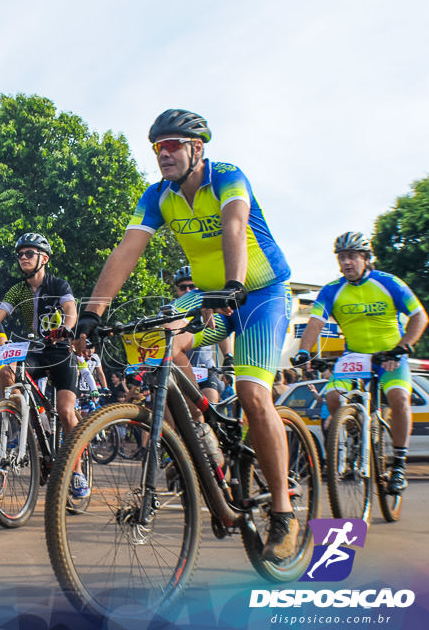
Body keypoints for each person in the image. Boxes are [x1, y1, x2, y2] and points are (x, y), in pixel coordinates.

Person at [75, 109, 297, 561]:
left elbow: (234, 225)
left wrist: (231, 288)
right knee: (160, 342)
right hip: (208, 297)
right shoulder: (158, 196)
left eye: (173, 144)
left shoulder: (227, 177)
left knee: (254, 394)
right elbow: (127, 250)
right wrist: (92, 313)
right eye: (158, 147)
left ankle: (283, 512)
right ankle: (200, 427)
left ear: (198, 148)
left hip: (258, 293)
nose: (164, 154)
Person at [291, 232, 429, 494]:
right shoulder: (332, 290)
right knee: (332, 397)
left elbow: (419, 317)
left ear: (366, 258)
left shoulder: (389, 283)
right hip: (355, 356)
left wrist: (402, 348)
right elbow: (315, 323)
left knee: (399, 398)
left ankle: (399, 463)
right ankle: (354, 430)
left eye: (352, 256)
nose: (346, 262)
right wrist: (304, 352)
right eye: (342, 257)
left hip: (389, 355)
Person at [0, 233, 86, 498]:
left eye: (29, 254)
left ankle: (77, 472)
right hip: (35, 351)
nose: (23, 258)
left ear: (43, 258)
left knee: (67, 412)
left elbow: (70, 308)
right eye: (20, 254)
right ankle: (25, 420)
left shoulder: (57, 284)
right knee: (7, 371)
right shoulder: (17, 290)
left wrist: (67, 329)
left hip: (59, 351)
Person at [171, 265, 233, 404]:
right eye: (183, 287)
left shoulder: (208, 305)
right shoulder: (172, 309)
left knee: (210, 412)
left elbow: (220, 330)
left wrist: (228, 357)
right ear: (177, 289)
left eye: (191, 286)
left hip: (205, 371)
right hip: (180, 373)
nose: (187, 291)